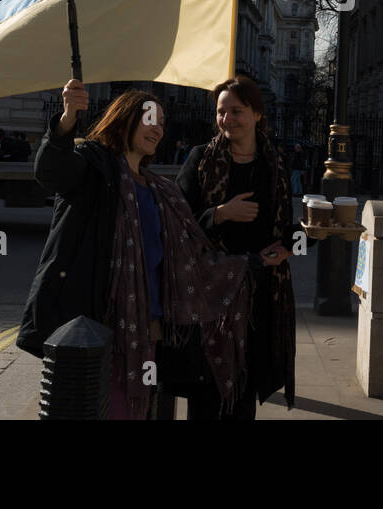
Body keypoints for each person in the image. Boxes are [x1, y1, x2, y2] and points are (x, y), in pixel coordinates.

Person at [16, 81, 252, 419]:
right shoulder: (94, 166)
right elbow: (51, 171)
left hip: (149, 330)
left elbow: (192, 252)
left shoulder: (160, 189)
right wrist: (68, 118)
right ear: (125, 119)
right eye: (150, 119)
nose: (158, 129)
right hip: (99, 326)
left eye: (162, 124)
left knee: (137, 410)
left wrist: (249, 263)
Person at [176, 76, 296, 419]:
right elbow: (177, 223)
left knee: (243, 388)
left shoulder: (275, 164)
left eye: (236, 111)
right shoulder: (200, 159)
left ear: (257, 114)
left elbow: (288, 229)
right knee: (207, 388)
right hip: (212, 290)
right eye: (221, 111)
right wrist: (220, 214)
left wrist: (296, 244)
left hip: (259, 291)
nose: (227, 119)